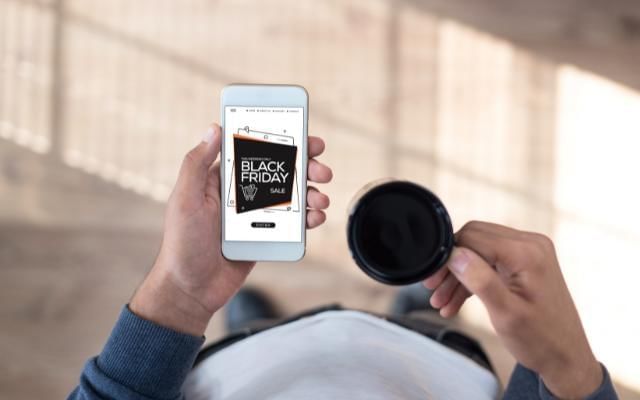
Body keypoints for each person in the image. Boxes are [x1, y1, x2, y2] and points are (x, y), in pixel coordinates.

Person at [68, 125, 618, 399]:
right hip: (436, 360)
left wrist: (181, 296)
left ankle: (265, 322)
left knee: (265, 326)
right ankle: (411, 312)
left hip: (246, 362)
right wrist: (567, 372)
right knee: (425, 315)